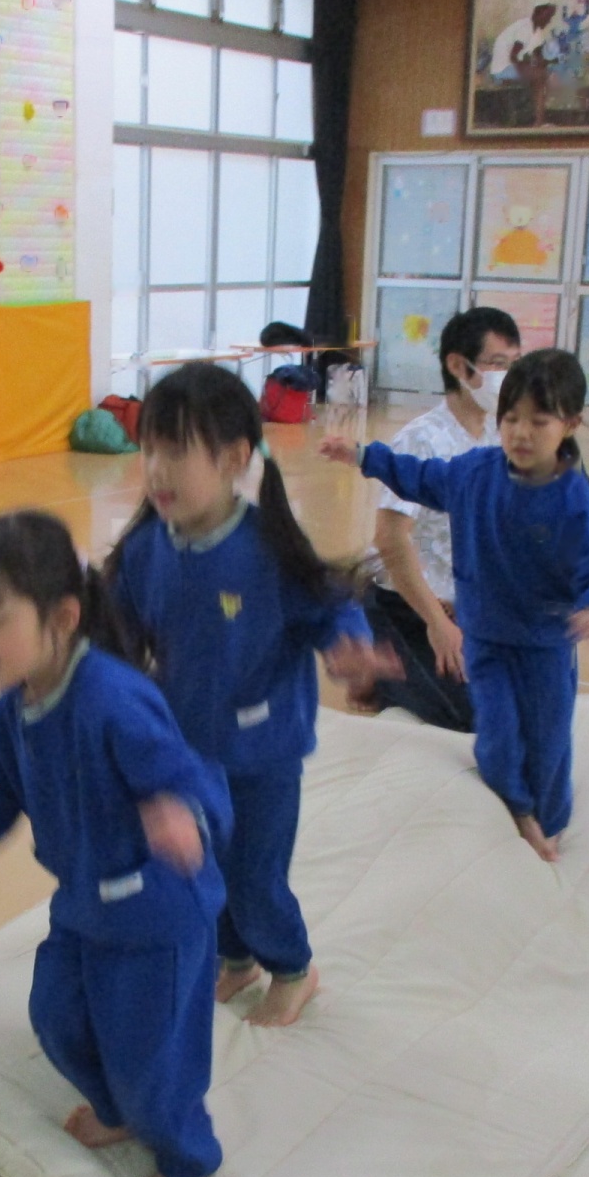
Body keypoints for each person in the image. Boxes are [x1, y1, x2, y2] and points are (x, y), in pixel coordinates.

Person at [0, 511, 232, 1177]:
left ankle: (187, 1153)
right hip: (84, 904)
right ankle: (119, 1110)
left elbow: (192, 777)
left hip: (160, 912)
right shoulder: (8, 719)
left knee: (149, 1054)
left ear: (64, 618)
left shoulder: (115, 699)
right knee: (56, 1018)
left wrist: (183, 815)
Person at [104, 364, 393, 1028]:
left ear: (235, 458)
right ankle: (235, 960)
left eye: (176, 452)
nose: (157, 470)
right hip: (188, 753)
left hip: (264, 755)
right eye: (150, 450)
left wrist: (348, 647)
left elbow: (329, 606)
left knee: (255, 878)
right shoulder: (145, 548)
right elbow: (113, 630)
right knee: (204, 870)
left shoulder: (267, 548)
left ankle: (292, 968)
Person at [325, 349, 589, 863]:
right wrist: (363, 455)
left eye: (539, 421)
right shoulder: (475, 474)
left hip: (546, 647)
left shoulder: (572, 497)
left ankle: (551, 820)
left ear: (570, 424)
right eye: (511, 419)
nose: (521, 433)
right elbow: (419, 475)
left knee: (548, 739)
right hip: (486, 641)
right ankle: (517, 807)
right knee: (498, 736)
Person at [366, 307, 589, 734]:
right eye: (498, 363)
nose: (509, 376)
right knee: (476, 714)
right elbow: (390, 541)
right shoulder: (421, 439)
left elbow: (564, 504)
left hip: (477, 605)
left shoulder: (505, 430)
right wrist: (437, 625)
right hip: (413, 604)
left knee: (537, 697)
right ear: (458, 366)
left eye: (515, 363)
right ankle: (382, 667)